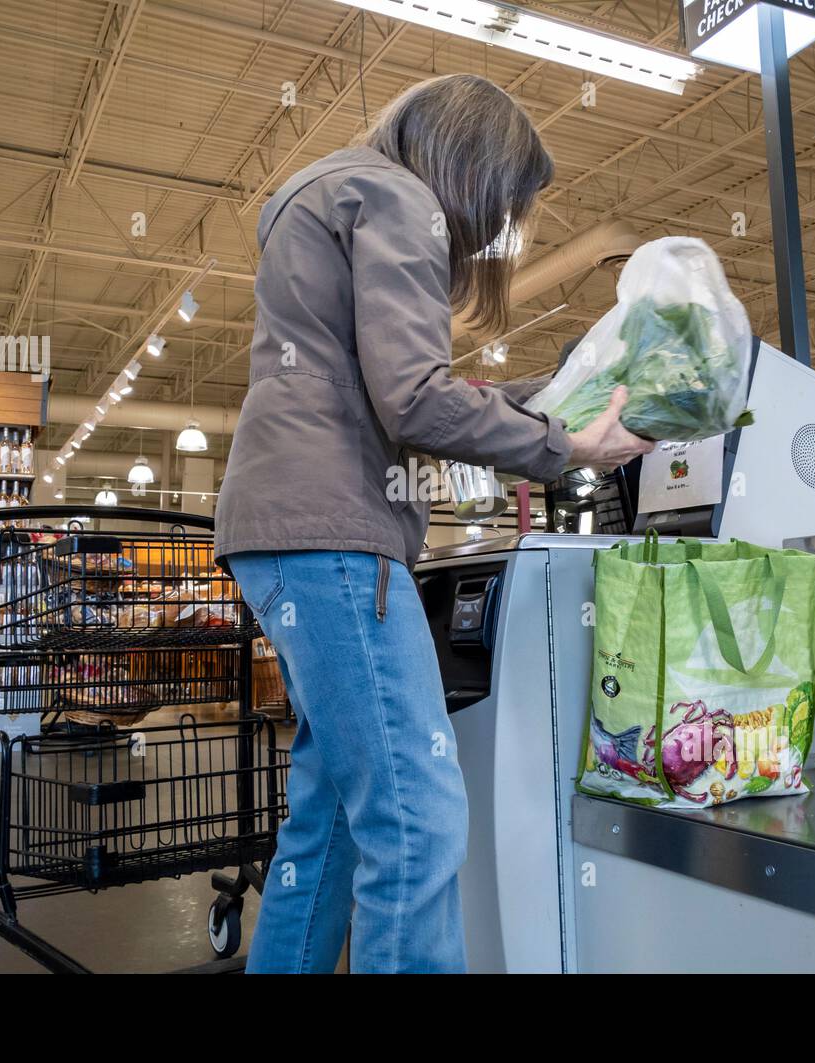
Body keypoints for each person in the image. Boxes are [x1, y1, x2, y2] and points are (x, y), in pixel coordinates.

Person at [216, 73, 653, 974]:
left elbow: (409, 389)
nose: (498, 233)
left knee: (334, 812)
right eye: (502, 206)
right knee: (419, 812)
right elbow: (415, 401)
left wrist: (568, 404)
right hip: (336, 534)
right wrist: (565, 448)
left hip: (286, 527)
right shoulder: (398, 197)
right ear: (472, 167)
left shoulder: (338, 190)